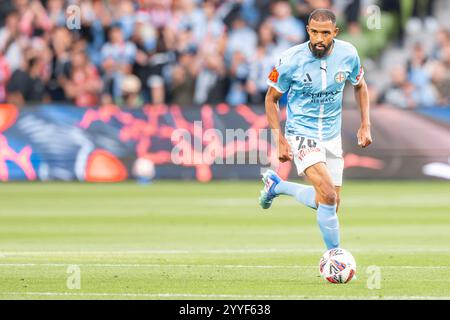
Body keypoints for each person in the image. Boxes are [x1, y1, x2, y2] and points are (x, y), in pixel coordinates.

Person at [259, 9, 372, 250]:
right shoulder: (290, 59)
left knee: (330, 202)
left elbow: (360, 86)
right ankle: (335, 256)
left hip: (332, 136)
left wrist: (365, 124)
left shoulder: (348, 54)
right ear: (307, 30)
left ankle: (277, 186)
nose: (319, 39)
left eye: (325, 33)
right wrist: (279, 138)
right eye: (314, 32)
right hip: (302, 133)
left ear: (335, 32)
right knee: (328, 195)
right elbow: (271, 99)